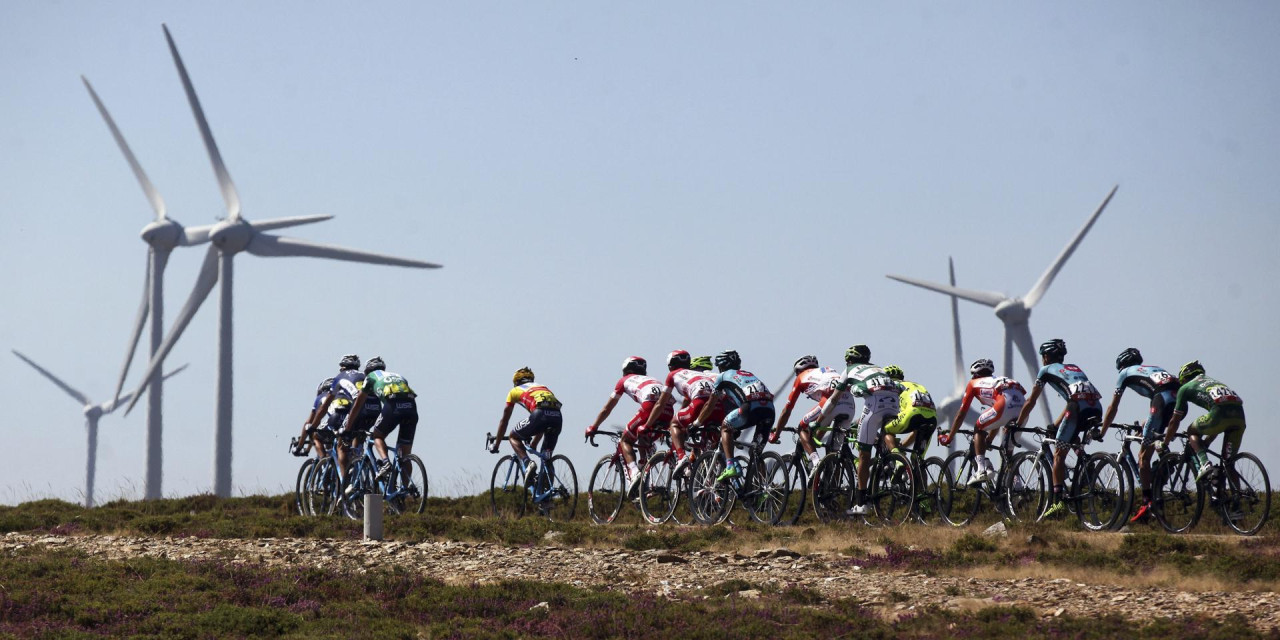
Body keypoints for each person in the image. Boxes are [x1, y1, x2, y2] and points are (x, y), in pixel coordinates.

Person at [1013, 339, 1102, 519]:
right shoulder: (1074, 368)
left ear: (1046, 357)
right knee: (1071, 437)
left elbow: (1031, 401)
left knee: (1058, 456)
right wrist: (1055, 425)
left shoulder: (1045, 371)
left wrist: (1018, 424)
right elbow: (1074, 399)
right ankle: (1086, 466)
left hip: (1076, 408)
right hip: (1096, 408)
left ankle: (1058, 501)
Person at [1097, 348, 1178, 521]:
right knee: (1153, 435)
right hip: (1176, 400)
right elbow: (1157, 404)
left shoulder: (1125, 373)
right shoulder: (1153, 369)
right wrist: (1145, 424)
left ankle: (1147, 502)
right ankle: (1164, 461)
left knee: (1143, 457)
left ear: (1122, 365)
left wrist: (1102, 430)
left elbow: (1113, 407)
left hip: (1161, 400)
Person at [822, 345, 901, 516]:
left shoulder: (849, 370)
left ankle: (861, 503)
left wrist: (820, 420)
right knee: (877, 438)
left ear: (849, 360)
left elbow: (834, 399)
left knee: (864, 454)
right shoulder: (878, 368)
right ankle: (888, 463)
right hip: (895, 403)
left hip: (875, 405)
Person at [585, 357, 675, 494]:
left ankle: (634, 473)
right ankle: (645, 468)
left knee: (625, 440)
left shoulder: (624, 380)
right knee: (643, 436)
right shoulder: (653, 380)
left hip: (650, 407)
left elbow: (607, 409)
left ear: (627, 371)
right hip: (668, 411)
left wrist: (594, 426)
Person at [938, 358, 1027, 486]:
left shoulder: (973, 383)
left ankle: (981, 470)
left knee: (979, 428)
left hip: (1003, 406)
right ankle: (1017, 486)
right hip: (1023, 408)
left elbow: (962, 413)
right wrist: (989, 441)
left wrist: (949, 437)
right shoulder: (1000, 379)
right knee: (1007, 451)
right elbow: (997, 420)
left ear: (975, 374)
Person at [690, 350, 775, 483]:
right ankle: (764, 489)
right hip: (769, 410)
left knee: (726, 427)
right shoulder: (748, 374)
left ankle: (730, 465)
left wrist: (696, 424)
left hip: (750, 408)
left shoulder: (722, 377)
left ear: (722, 366)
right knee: (756, 453)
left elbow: (709, 404)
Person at [1161, 361, 1246, 483]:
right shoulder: (1215, 382)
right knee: (1228, 463)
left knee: (1191, 430)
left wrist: (1165, 443)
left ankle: (1204, 464)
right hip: (1239, 418)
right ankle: (1240, 496)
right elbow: (1221, 419)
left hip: (1219, 416)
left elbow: (1174, 422)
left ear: (1184, 378)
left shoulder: (1185, 388)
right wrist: (1207, 441)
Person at [344, 357, 419, 482]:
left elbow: (357, 405)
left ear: (367, 372)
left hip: (393, 405)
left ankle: (385, 463)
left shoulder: (370, 377)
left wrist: (347, 429)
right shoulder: (398, 375)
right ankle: (406, 492)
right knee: (404, 454)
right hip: (411, 407)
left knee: (377, 436)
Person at [769, 355, 851, 470]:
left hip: (830, 402)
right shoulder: (826, 371)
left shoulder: (802, 376)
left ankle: (815, 461)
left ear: (799, 370)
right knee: (833, 453)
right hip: (850, 405)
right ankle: (832, 486)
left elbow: (787, 410)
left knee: (802, 428)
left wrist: (776, 434)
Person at [643, 350, 716, 474]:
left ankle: (682, 457)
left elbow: (661, 403)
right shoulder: (699, 375)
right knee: (708, 442)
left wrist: (647, 425)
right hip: (717, 406)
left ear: (670, 366)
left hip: (700, 403)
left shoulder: (673, 375)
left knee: (675, 423)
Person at [491, 367, 564, 484]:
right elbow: (542, 425)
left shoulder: (514, 391)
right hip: (557, 417)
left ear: (515, 382)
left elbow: (504, 421)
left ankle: (527, 462)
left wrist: (496, 445)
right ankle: (547, 493)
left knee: (513, 436)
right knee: (547, 457)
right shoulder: (543, 387)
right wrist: (534, 443)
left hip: (539, 414)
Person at [306, 354, 373, 480]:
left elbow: (324, 407)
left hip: (353, 410)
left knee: (341, 445)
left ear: (342, 367)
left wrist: (313, 427)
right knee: (357, 438)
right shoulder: (363, 376)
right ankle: (357, 462)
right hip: (373, 409)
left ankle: (345, 482)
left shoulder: (339, 378)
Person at [881, 365, 938, 460]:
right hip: (932, 417)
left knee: (886, 430)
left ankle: (898, 458)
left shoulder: (891, 386)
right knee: (918, 461)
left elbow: (884, 409)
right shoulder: (916, 385)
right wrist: (902, 446)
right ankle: (914, 463)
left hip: (913, 414)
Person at [294, 376, 336, 457]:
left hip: (333, 421)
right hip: (345, 421)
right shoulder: (340, 394)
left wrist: (300, 446)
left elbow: (309, 423)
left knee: (316, 435)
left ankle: (323, 461)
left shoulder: (321, 397)